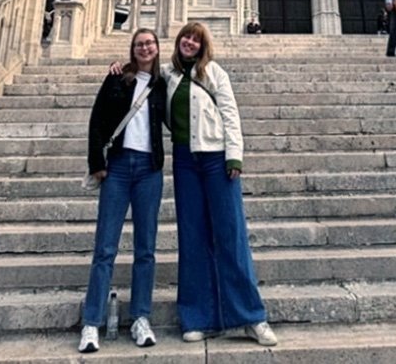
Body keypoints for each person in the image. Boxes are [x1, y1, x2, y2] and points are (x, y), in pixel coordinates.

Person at [166, 22, 277, 346]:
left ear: (203, 46)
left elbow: (230, 114)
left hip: (216, 158)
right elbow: (143, 72)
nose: (189, 42)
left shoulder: (215, 73)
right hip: (185, 161)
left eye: (196, 39)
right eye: (186, 37)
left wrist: (235, 157)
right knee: (192, 237)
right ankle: (197, 316)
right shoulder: (168, 75)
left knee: (231, 234)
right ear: (179, 41)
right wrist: (124, 67)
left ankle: (251, 316)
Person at [78, 29, 168, 353]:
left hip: (149, 170)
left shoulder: (162, 85)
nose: (145, 48)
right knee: (105, 247)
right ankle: (92, 322)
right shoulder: (118, 78)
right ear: (133, 50)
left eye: (150, 43)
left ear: (157, 49)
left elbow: (179, 117)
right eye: (139, 44)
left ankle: (141, 317)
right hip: (116, 168)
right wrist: (96, 163)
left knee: (146, 248)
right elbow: (97, 120)